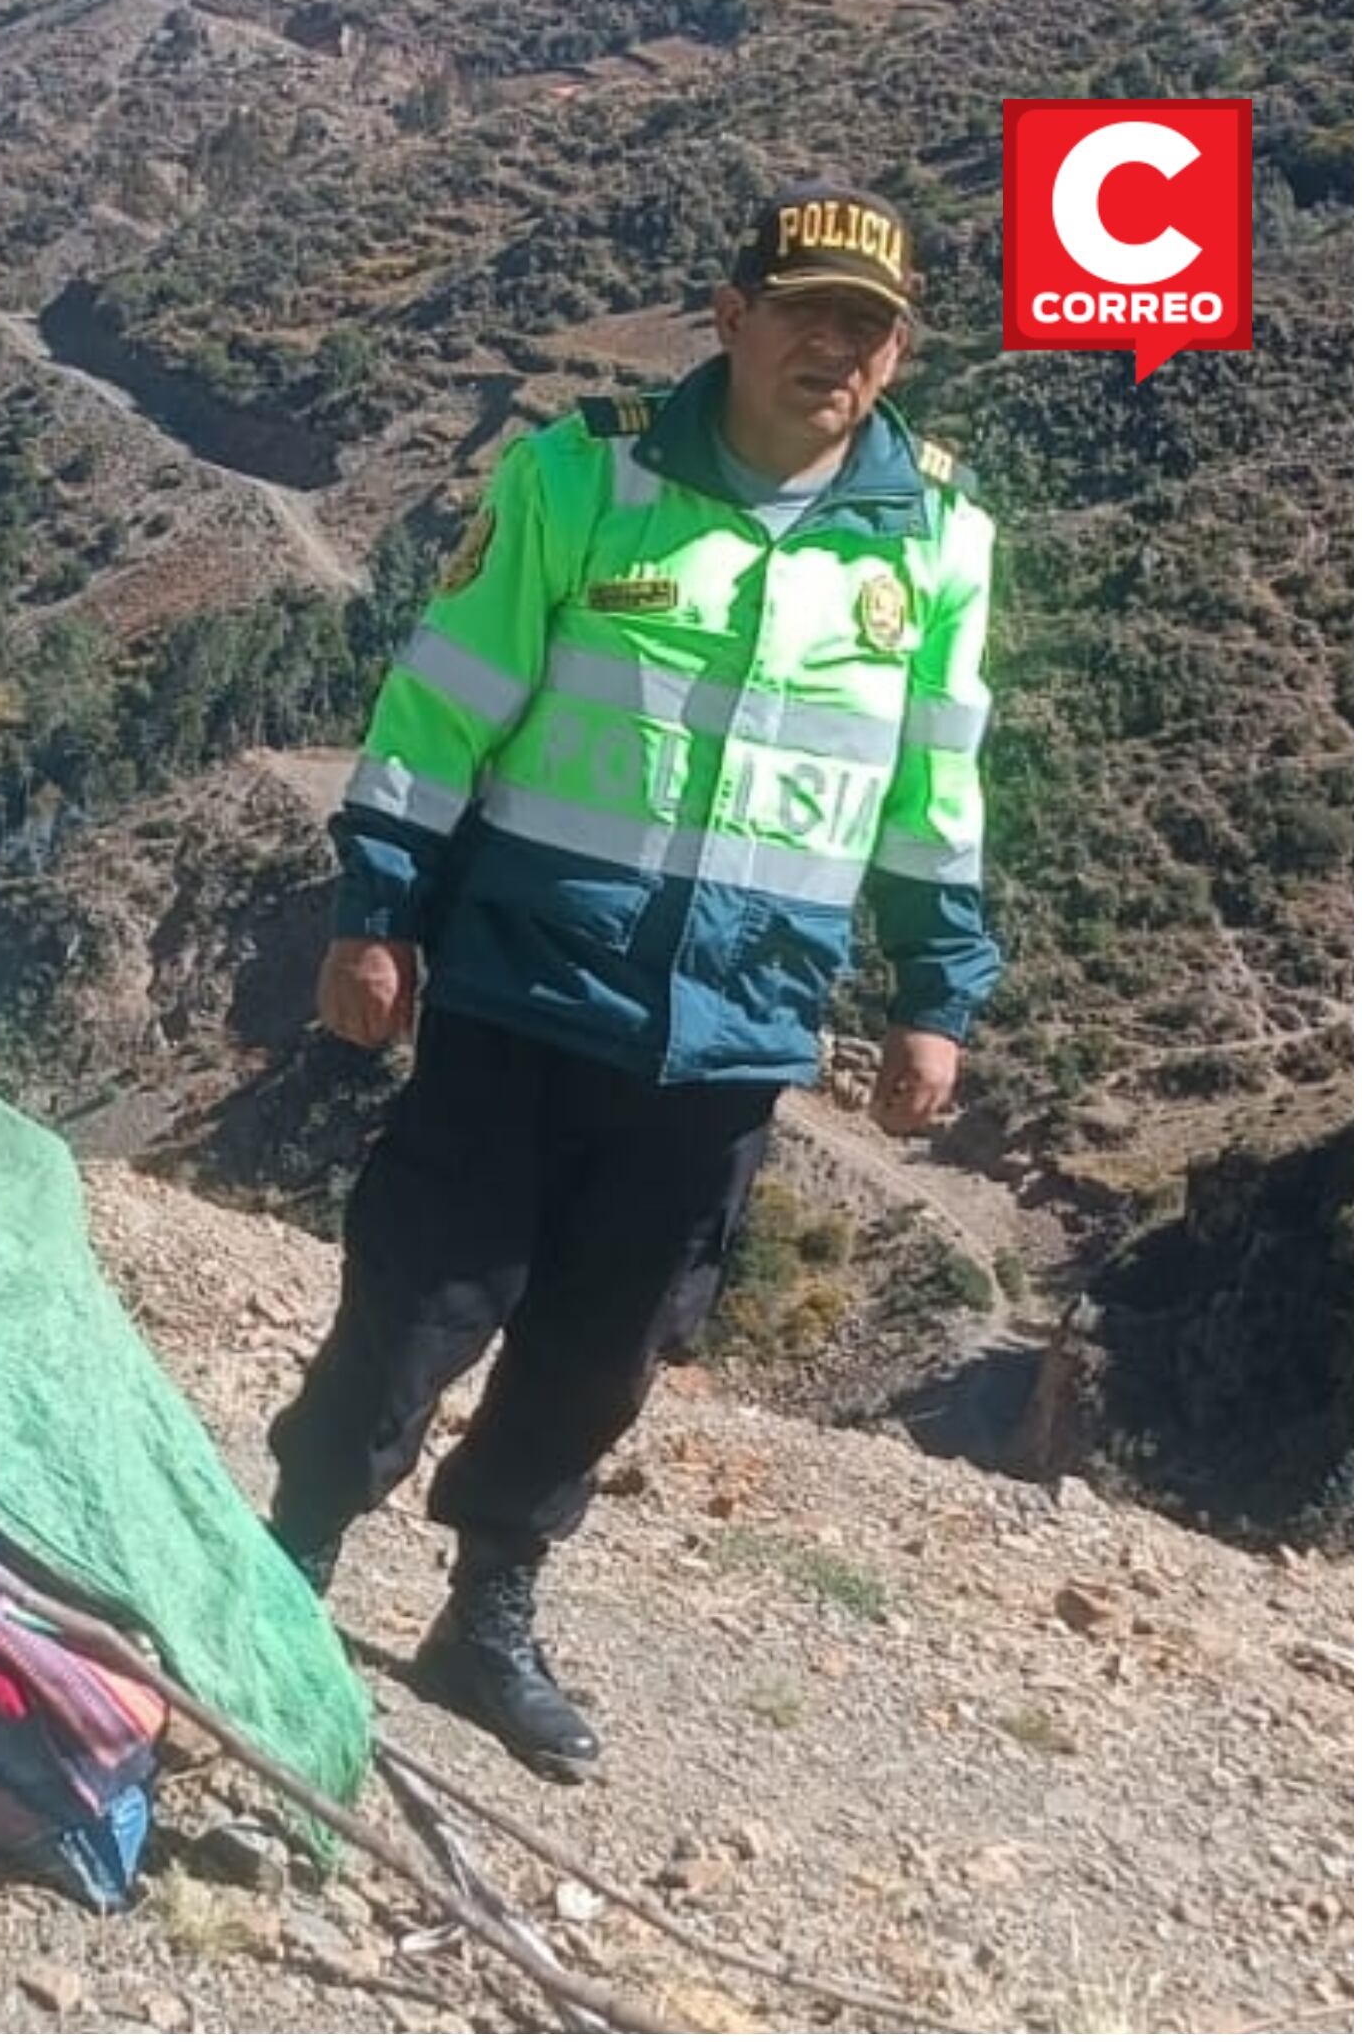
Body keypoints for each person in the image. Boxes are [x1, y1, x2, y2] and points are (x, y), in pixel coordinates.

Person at [264, 182, 1002, 1779]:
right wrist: (377, 913)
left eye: (870, 328)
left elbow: (936, 787)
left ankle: (486, 1616)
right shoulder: (582, 476)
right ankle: (286, 1563)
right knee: (417, 1303)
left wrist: (935, 996)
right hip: (529, 987)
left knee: (607, 1349)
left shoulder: (938, 541)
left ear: (897, 357)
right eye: (805, 311)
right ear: (730, 318)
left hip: (734, 1029)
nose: (836, 348)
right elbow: (443, 706)